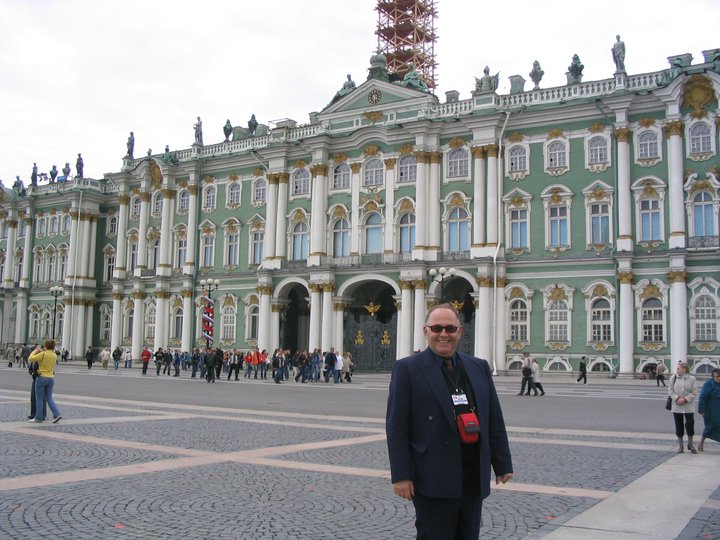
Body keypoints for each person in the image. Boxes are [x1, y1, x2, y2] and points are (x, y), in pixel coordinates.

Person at [386, 304, 513, 540]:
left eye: (449, 328)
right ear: (426, 331)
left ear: (459, 331)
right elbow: (396, 427)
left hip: (472, 474)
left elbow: (493, 417)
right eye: (437, 328)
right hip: (432, 476)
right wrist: (401, 475)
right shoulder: (407, 369)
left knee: (468, 535)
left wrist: (502, 463)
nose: (443, 334)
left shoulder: (478, 367)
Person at [28, 340, 62, 424]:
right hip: (51, 378)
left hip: (42, 377)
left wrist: (35, 351)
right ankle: (57, 414)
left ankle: (38, 417)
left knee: (39, 398)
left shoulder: (43, 354)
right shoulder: (54, 355)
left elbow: (30, 359)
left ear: (46, 346)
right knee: (49, 398)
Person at [669, 361, 698, 453]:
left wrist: (685, 399)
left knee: (689, 425)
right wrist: (676, 398)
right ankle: (680, 446)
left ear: (684, 369)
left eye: (678, 368)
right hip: (677, 406)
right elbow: (670, 391)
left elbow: (694, 392)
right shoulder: (673, 378)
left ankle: (691, 444)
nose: (677, 370)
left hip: (688, 406)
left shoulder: (692, 379)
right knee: (679, 426)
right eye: (677, 368)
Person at [697, 367, 720, 452]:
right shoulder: (709, 383)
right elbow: (702, 397)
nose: (718, 378)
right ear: (713, 376)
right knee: (710, 426)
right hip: (711, 410)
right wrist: (701, 410)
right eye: (717, 376)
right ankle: (701, 442)